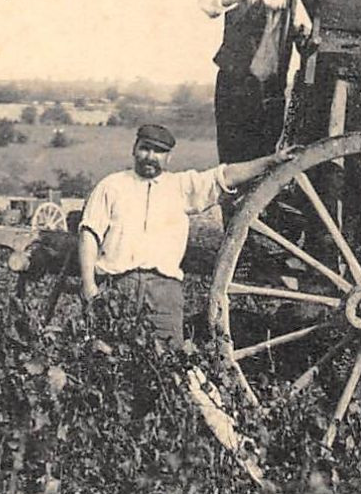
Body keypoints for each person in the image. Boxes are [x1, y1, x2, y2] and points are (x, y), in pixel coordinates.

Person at [77, 124, 292, 345]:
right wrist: (89, 286)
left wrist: (272, 161)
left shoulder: (179, 187)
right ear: (134, 149)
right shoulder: (111, 186)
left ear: (168, 158)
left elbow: (226, 176)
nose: (150, 157)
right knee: (109, 354)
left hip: (163, 293)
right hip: (117, 286)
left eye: (159, 152)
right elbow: (89, 235)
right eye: (145, 148)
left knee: (166, 359)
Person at [202, 0, 316, 165]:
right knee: (232, 153)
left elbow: (299, 37)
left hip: (271, 92)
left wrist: (305, 37)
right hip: (235, 89)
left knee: (265, 155)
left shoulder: (291, 4)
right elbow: (209, 7)